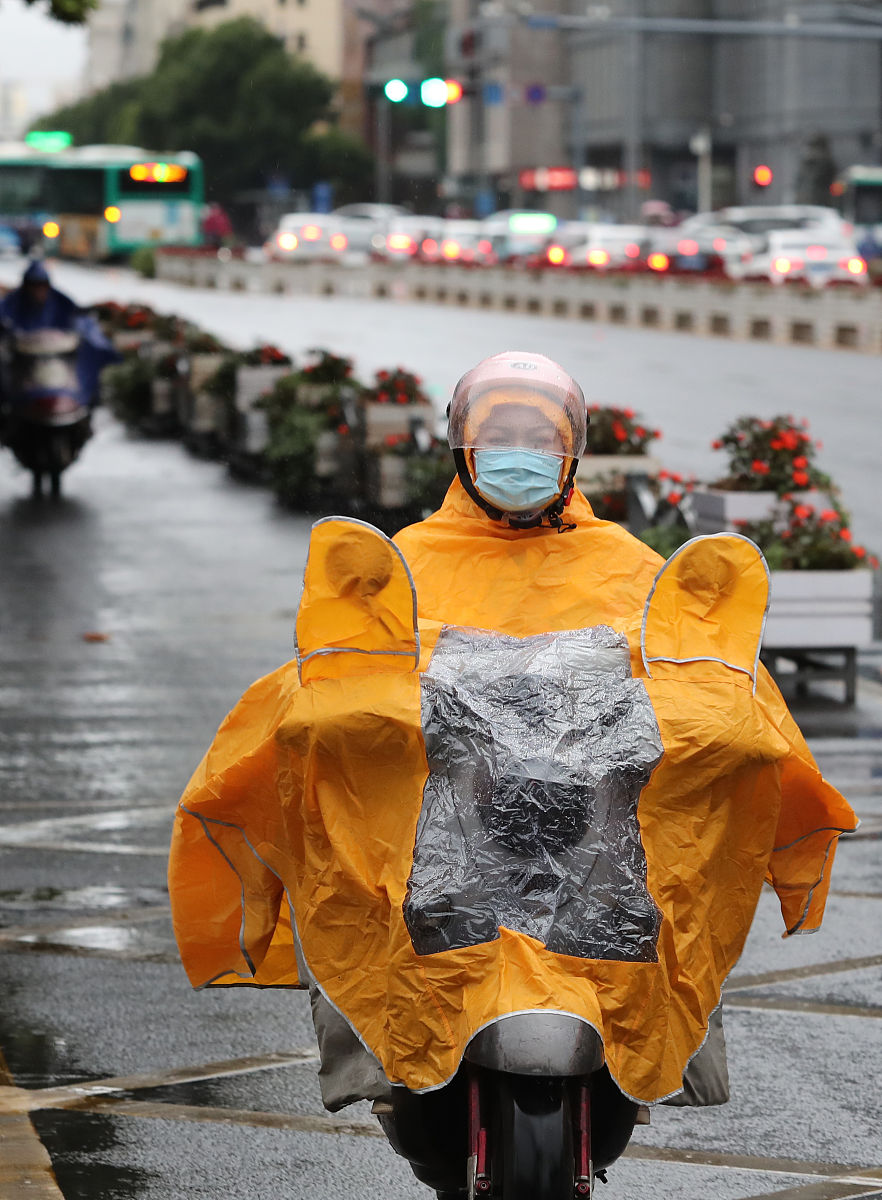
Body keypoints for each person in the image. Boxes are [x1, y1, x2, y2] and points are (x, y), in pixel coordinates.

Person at [169, 352, 856, 1191]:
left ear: (570, 452)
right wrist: (329, 723)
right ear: (463, 449)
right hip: (451, 830)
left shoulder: (629, 566)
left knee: (676, 902)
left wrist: (731, 733)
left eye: (539, 436)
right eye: (501, 435)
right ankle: (393, 1068)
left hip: (592, 837)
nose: (519, 454)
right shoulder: (408, 562)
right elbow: (338, 671)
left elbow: (699, 674)